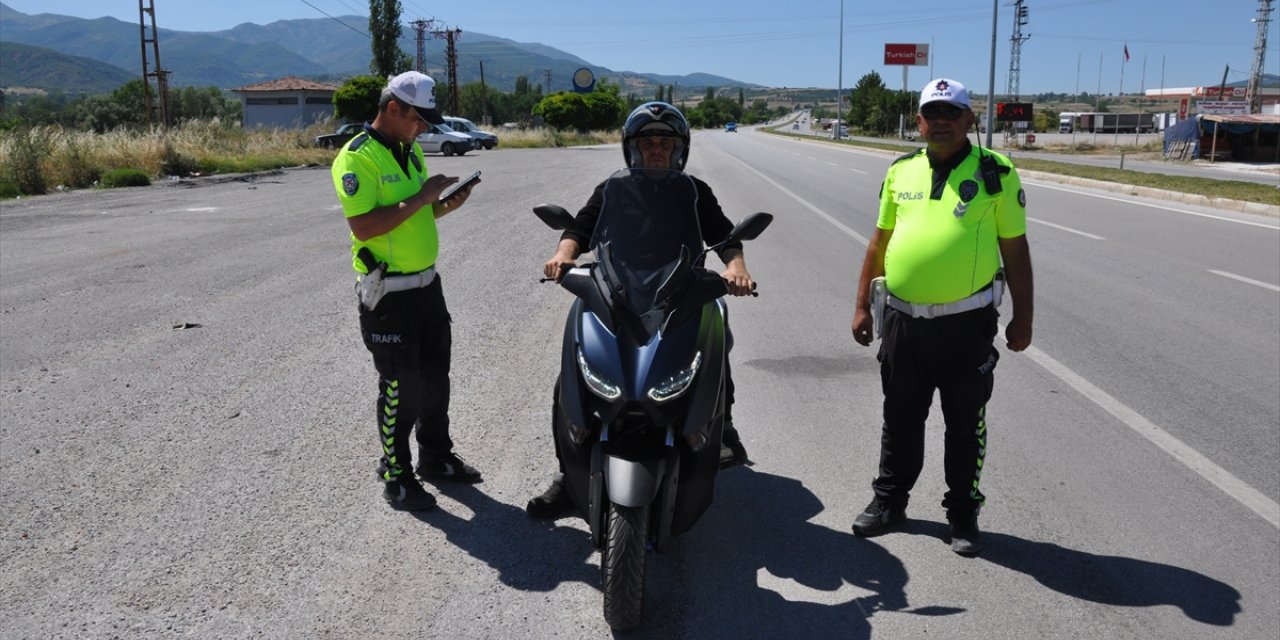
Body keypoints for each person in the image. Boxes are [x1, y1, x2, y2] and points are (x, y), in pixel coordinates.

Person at [526, 101, 755, 519]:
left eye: (664, 143)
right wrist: (563, 255)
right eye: (647, 142)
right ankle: (568, 473)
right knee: (573, 377)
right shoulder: (613, 189)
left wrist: (736, 269)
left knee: (715, 337)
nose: (655, 150)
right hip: (618, 286)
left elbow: (725, 237)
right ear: (632, 148)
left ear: (678, 149)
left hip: (680, 288)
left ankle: (722, 429)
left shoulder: (695, 192)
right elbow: (579, 227)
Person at [848, 78, 1034, 556]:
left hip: (965, 326)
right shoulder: (900, 171)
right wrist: (861, 305)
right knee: (900, 417)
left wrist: (1023, 317)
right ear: (919, 122)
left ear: (970, 120)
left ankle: (963, 514)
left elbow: (1015, 250)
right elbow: (879, 242)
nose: (942, 122)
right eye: (933, 114)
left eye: (952, 113)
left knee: (964, 423)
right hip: (903, 322)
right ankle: (890, 502)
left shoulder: (997, 173)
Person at [330, 71, 483, 512]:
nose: (424, 128)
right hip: (389, 294)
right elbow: (365, 226)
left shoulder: (409, 150)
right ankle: (397, 476)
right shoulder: (357, 158)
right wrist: (421, 200)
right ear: (393, 109)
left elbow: (411, 217)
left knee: (436, 379)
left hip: (426, 286)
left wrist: (443, 205)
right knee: (402, 387)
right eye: (419, 119)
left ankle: (435, 456)